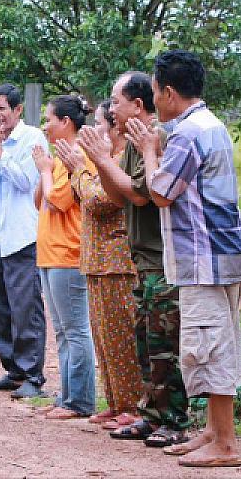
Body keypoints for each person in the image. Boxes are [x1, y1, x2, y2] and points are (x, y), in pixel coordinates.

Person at [126, 50, 241, 468]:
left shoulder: (188, 134)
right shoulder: (208, 125)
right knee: (219, 341)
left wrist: (147, 149)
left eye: (158, 91)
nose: (155, 100)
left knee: (208, 344)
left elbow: (161, 191)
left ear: (171, 92)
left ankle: (226, 444)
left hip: (204, 260)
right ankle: (214, 431)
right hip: (220, 255)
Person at [78, 71, 190, 447]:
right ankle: (150, 413)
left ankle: (172, 418)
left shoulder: (153, 139)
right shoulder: (129, 145)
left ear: (137, 105)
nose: (111, 108)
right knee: (144, 342)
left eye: (116, 101)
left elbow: (141, 194)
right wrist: (102, 160)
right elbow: (118, 190)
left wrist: (99, 160)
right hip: (140, 257)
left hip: (162, 258)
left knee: (163, 346)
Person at [56, 100, 141, 430]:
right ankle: (116, 401)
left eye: (100, 127)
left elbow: (97, 201)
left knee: (121, 339)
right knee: (104, 339)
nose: (93, 133)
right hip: (95, 259)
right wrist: (82, 169)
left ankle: (132, 405)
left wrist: (80, 167)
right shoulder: (102, 164)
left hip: (117, 260)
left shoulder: (118, 163)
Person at [0, 84, 49, 399]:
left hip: (23, 236)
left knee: (26, 308)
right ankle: (14, 369)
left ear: (17, 110)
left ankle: (33, 373)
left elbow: (25, 182)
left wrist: (1, 152)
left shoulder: (33, 138)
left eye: (1, 109)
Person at [31, 95, 97, 419]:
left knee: (75, 329)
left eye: (49, 119)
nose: (45, 125)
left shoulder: (79, 156)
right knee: (61, 330)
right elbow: (39, 201)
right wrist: (43, 170)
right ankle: (67, 396)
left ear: (66, 122)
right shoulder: (58, 158)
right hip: (49, 253)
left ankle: (80, 401)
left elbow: (58, 200)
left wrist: (45, 170)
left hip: (68, 254)